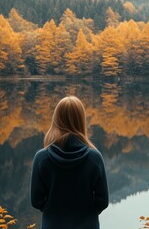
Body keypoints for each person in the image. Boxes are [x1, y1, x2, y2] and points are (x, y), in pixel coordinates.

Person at [30, 96, 109, 229]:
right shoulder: (94, 158)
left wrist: (52, 211)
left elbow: (36, 201)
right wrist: (87, 213)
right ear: (81, 120)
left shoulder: (41, 158)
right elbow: (103, 201)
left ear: (56, 119)